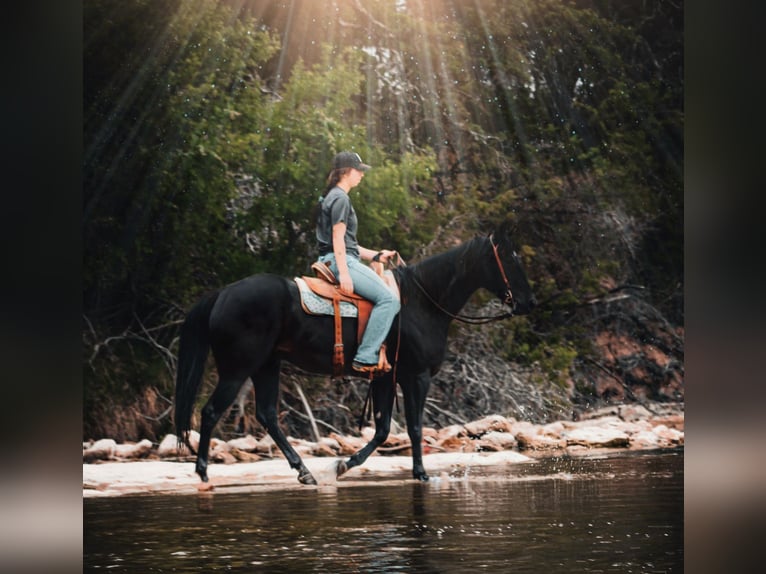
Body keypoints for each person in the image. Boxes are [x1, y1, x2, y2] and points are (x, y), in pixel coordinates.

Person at [315, 151, 400, 373]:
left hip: (334, 258)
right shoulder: (341, 198)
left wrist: (375, 256)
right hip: (340, 261)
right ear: (347, 172)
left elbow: (348, 243)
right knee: (389, 300)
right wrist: (344, 273)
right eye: (359, 170)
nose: (361, 175)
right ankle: (365, 356)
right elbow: (337, 239)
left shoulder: (331, 196)